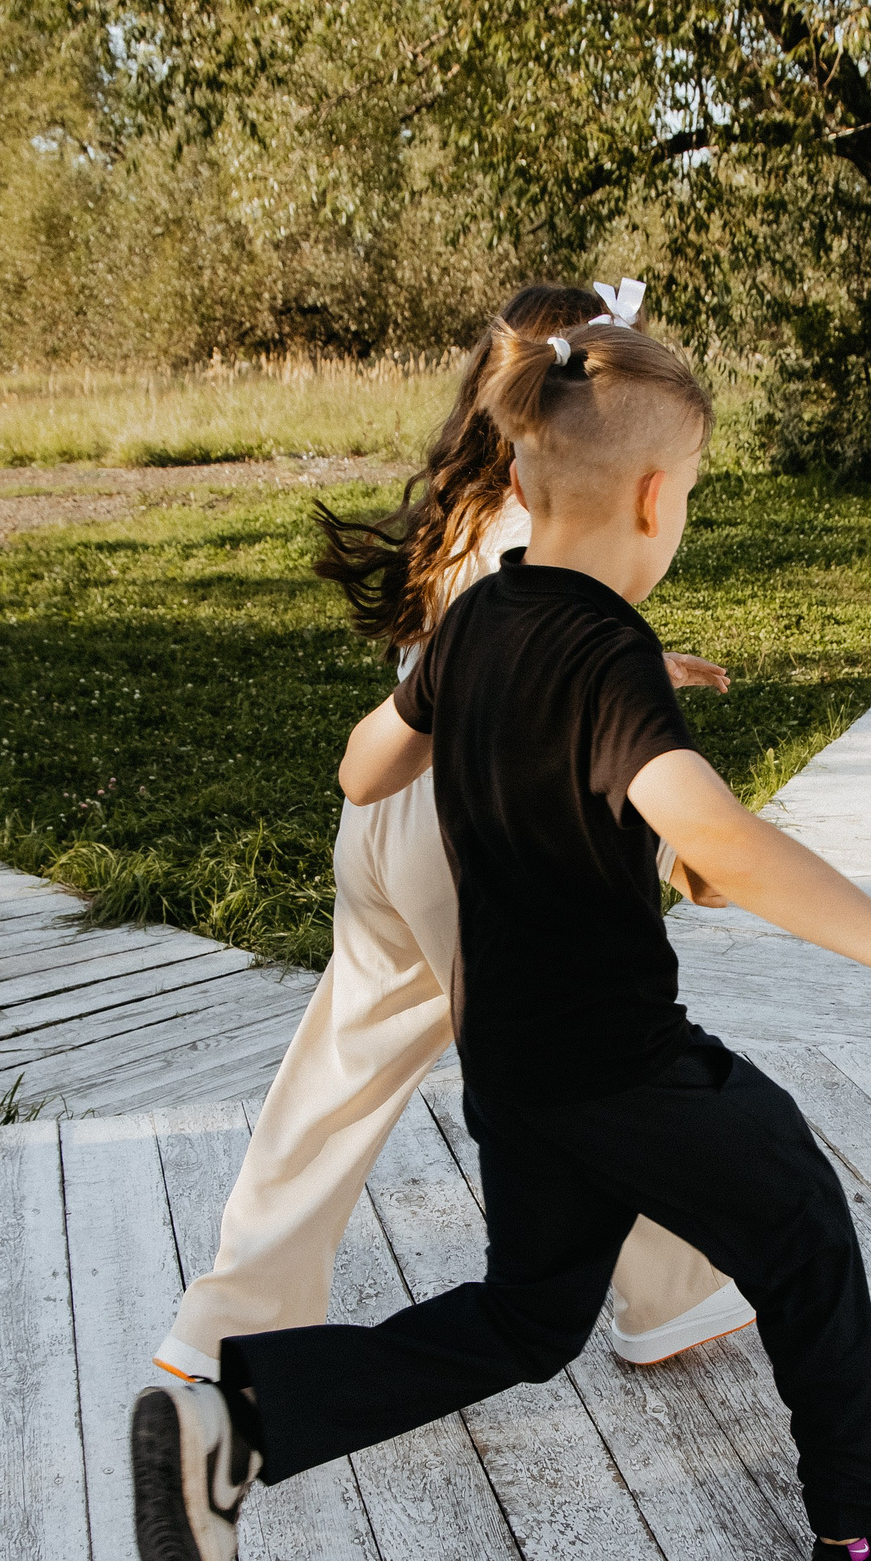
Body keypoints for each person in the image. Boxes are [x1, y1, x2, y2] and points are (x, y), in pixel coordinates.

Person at [131, 318, 871, 1561]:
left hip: (513, 1076)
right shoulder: (603, 662)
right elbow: (720, 846)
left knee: (528, 1319)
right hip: (628, 1070)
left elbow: (364, 769)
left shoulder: (477, 629)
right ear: (657, 497)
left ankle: (238, 1412)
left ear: (521, 490)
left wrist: (602, 728)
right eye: (689, 492)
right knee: (802, 1224)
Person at [152, 281, 756, 1388]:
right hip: (476, 832)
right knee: (579, 1060)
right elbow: (555, 727)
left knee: (341, 1067)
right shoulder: (550, 531)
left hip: (382, 817)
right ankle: (670, 1294)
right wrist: (685, 849)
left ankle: (231, 1318)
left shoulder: (473, 505)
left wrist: (642, 662)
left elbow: (483, 664)